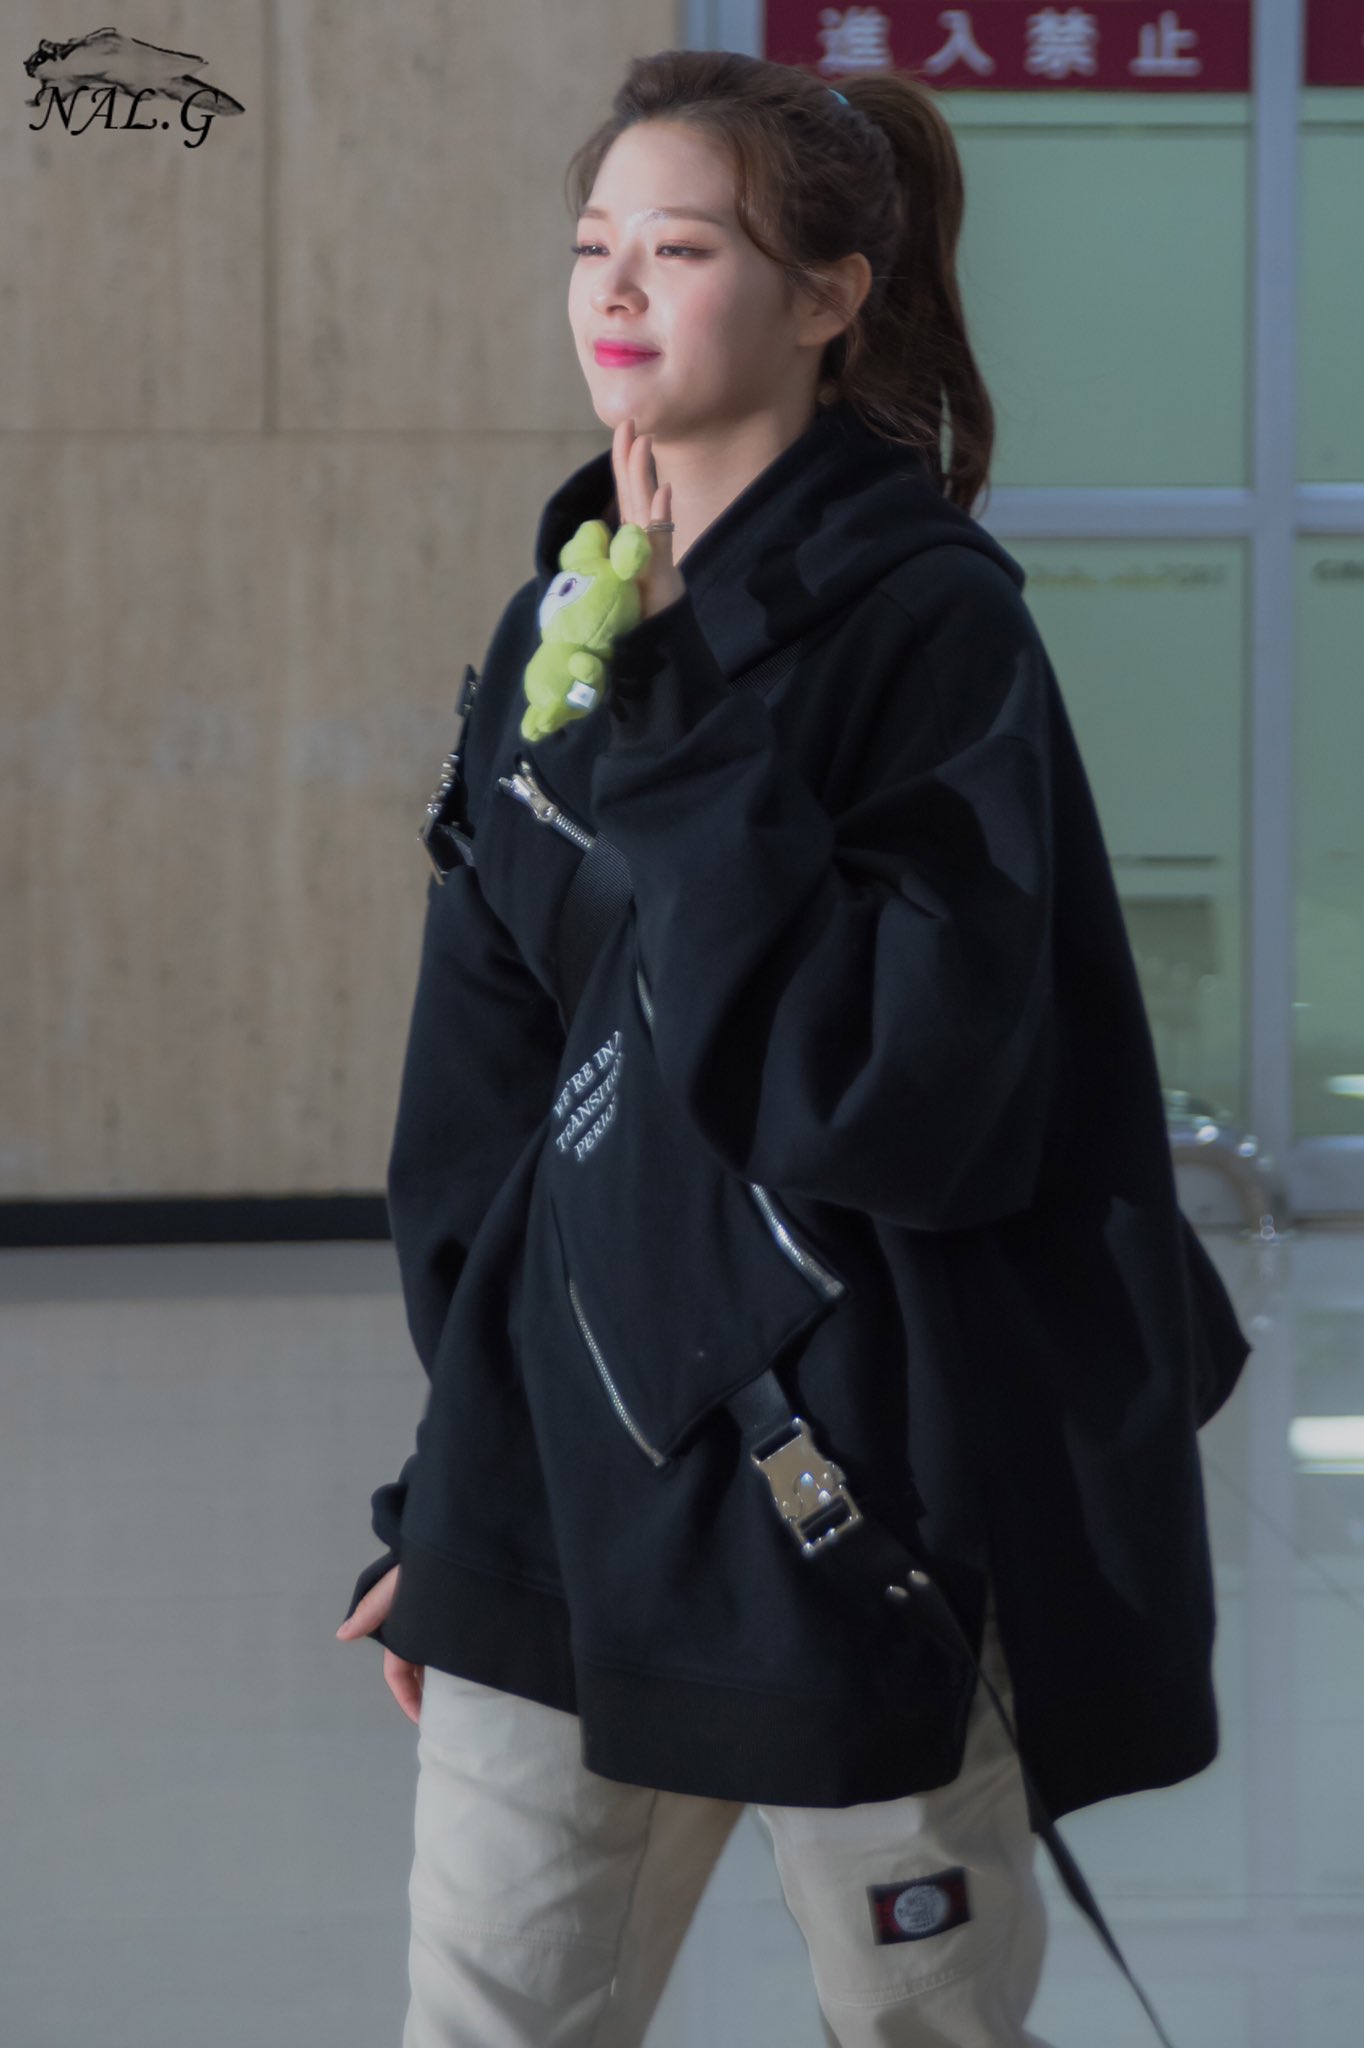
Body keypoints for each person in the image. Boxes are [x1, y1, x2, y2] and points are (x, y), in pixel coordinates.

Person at [335, 46, 1251, 2048]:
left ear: (832, 295)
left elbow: (891, 1093)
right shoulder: (559, 626)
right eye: (592, 242)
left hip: (844, 1510)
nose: (614, 289)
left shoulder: (932, 631)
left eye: (681, 248)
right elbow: (483, 1120)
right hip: (552, 1512)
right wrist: (447, 1496)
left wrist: (677, 718)